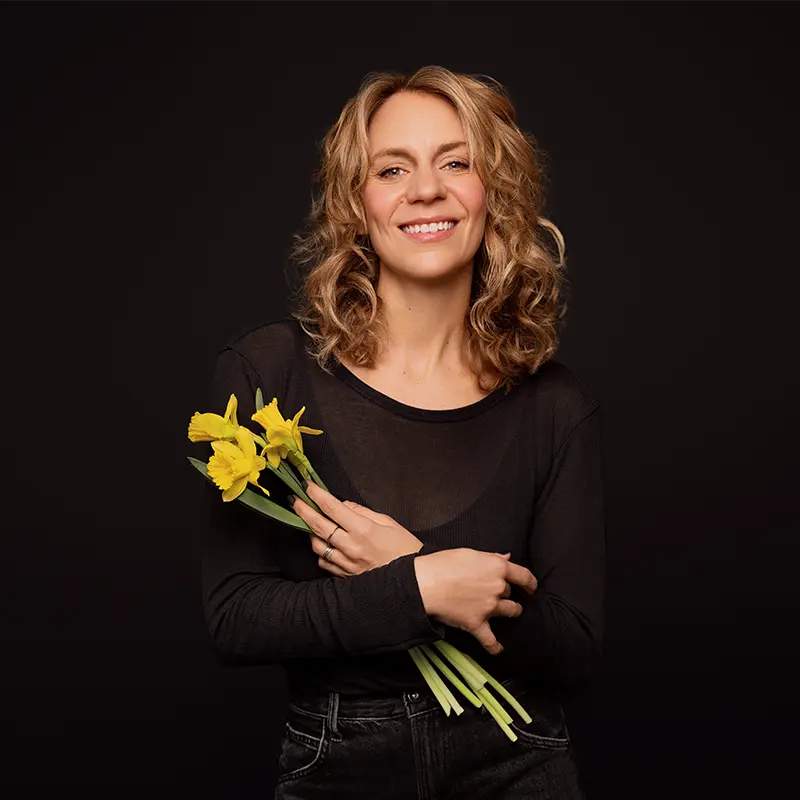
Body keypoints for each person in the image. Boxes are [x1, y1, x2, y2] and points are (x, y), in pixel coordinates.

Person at [199, 65, 606, 799]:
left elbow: (576, 650)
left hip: (519, 762)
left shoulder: (555, 405)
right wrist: (416, 588)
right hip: (337, 764)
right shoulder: (268, 368)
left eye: (456, 162)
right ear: (358, 205)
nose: (426, 189)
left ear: (495, 195)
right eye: (394, 168)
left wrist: (415, 560)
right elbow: (236, 618)